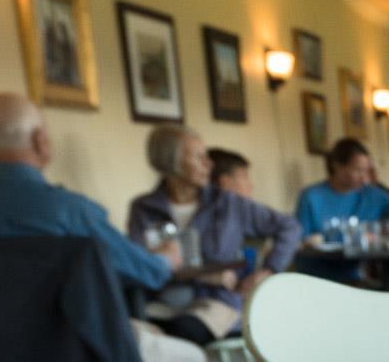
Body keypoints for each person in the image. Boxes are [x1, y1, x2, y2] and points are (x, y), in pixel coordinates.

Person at [0, 93, 206, 362]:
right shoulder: (69, 211)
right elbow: (149, 273)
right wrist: (167, 258)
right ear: (40, 140)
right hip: (89, 354)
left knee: (142, 330)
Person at [127, 124, 302, 344]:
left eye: (206, 156)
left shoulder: (227, 203)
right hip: (161, 305)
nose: (208, 163)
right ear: (171, 162)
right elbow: (136, 264)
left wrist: (268, 270)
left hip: (216, 306)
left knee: (178, 334)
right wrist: (203, 275)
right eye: (198, 157)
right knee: (129, 334)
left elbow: (289, 226)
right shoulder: (143, 209)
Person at [293, 138, 389, 280]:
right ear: (337, 166)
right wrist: (355, 237)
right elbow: (301, 241)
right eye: (358, 170)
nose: (364, 178)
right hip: (314, 278)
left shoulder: (372, 195)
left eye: (366, 171)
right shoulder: (311, 197)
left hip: (353, 277)